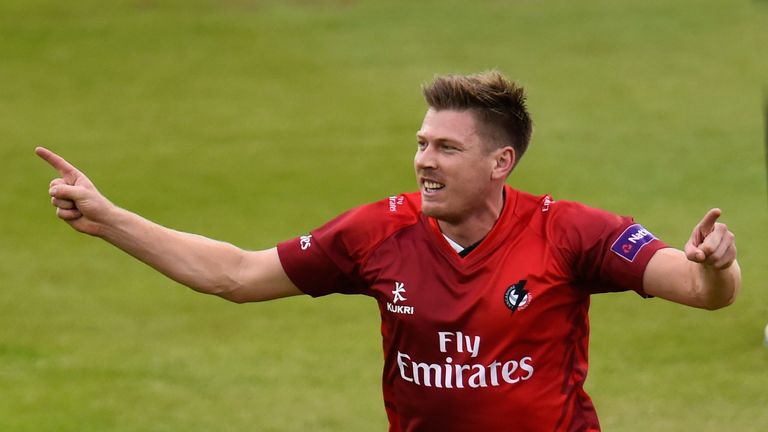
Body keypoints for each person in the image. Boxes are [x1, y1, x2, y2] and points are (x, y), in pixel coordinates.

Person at [37, 71, 740, 432]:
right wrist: (111, 220)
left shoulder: (570, 231)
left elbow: (700, 291)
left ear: (501, 163)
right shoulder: (376, 233)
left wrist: (717, 266)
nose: (423, 161)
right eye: (420, 143)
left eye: (445, 147)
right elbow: (238, 274)